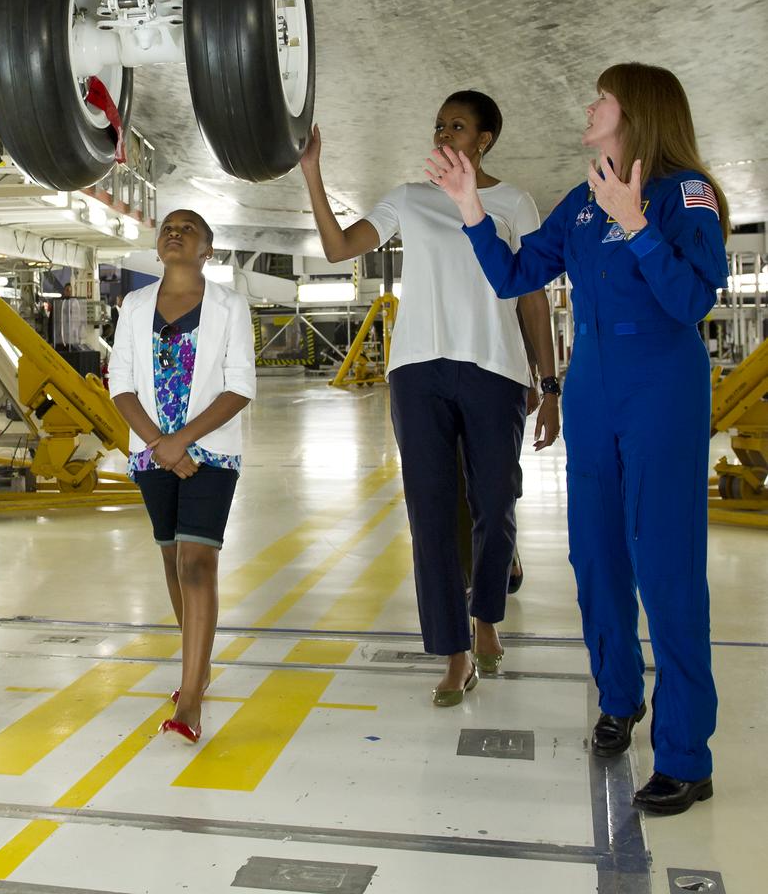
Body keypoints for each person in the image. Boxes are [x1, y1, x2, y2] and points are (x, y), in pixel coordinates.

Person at [427, 62, 728, 817]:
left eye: (602, 99)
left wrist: (638, 224)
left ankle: (688, 755)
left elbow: (693, 296)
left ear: (637, 113)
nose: (589, 107)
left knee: (666, 566)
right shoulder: (584, 197)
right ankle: (618, 699)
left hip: (661, 383)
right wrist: (469, 211)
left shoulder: (685, 191)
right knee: (596, 557)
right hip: (594, 383)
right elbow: (516, 274)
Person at [300, 93, 559, 706]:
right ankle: (454, 651)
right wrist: (313, 173)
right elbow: (340, 249)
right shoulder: (408, 198)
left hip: (495, 370)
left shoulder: (512, 202)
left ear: (485, 140)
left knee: (494, 502)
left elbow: (531, 297)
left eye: (458, 125)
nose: (444, 132)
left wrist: (548, 386)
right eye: (439, 122)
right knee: (430, 514)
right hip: (417, 372)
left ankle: (487, 617)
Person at [109, 210, 256, 743]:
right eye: (168, 226)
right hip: (152, 452)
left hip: (209, 453)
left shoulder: (229, 306)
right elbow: (120, 383)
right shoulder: (134, 306)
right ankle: (200, 664)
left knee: (197, 563)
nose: (175, 232)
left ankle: (190, 696)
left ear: (208, 250)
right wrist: (160, 444)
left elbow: (239, 385)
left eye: (189, 228)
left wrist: (183, 441)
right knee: (172, 562)